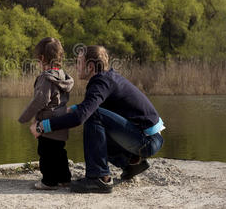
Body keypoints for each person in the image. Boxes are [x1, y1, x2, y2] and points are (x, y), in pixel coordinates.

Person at [30, 45, 165, 193]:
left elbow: (82, 116)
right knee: (94, 117)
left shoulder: (101, 82)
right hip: (148, 138)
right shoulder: (106, 78)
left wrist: (43, 126)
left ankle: (99, 178)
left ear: (90, 66)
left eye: (79, 63)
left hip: (146, 141)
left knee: (93, 115)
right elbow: (87, 106)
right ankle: (131, 162)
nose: (76, 66)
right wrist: (72, 109)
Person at [18, 37, 75, 190]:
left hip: (48, 124)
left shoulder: (45, 78)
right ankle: (64, 179)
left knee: (46, 152)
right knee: (59, 151)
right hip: (61, 122)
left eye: (37, 60)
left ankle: (49, 181)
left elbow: (40, 100)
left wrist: (25, 117)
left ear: (42, 58)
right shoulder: (63, 76)